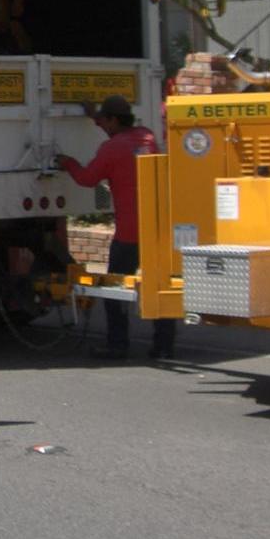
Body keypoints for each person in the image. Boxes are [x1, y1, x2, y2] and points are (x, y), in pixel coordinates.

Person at [56, 94, 176, 361]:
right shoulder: (147, 137)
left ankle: (118, 344)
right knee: (160, 286)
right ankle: (164, 346)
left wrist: (67, 162)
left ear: (112, 120)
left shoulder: (112, 149)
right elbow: (121, 139)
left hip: (129, 233)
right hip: (157, 229)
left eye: (105, 121)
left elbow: (87, 179)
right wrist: (96, 117)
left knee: (115, 289)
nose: (104, 126)